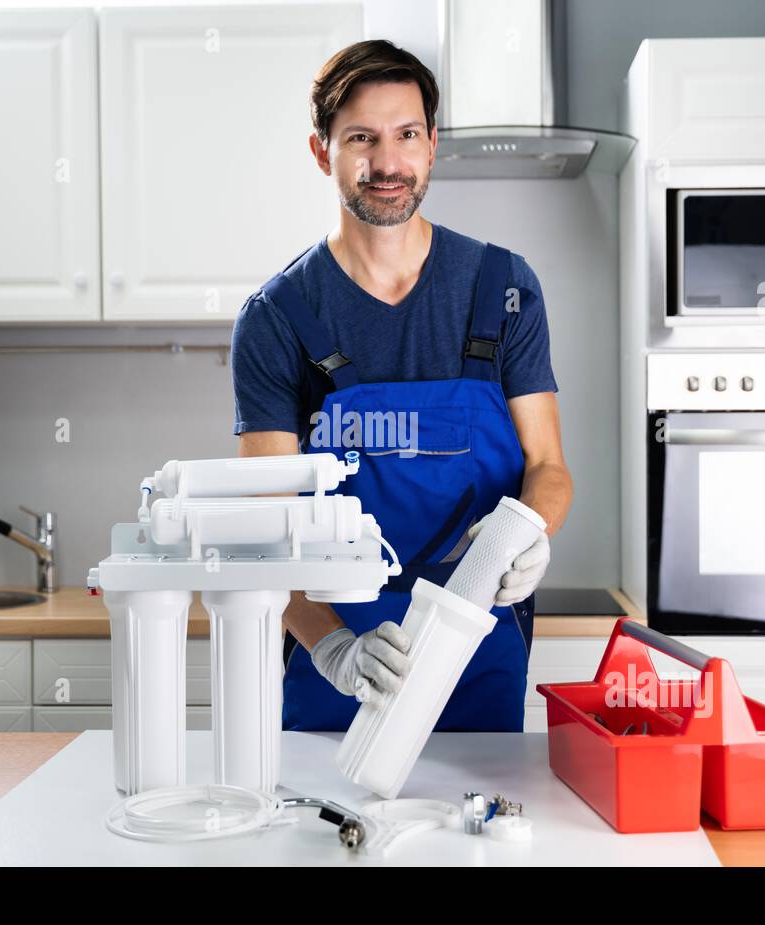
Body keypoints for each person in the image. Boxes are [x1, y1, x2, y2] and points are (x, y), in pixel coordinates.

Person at [229, 39, 572, 732]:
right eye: (362, 138)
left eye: (406, 135)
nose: (388, 163)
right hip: (338, 666)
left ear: (432, 144)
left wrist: (533, 534)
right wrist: (332, 648)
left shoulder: (503, 289)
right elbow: (264, 532)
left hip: (477, 640)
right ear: (322, 152)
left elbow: (548, 468)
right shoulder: (277, 319)